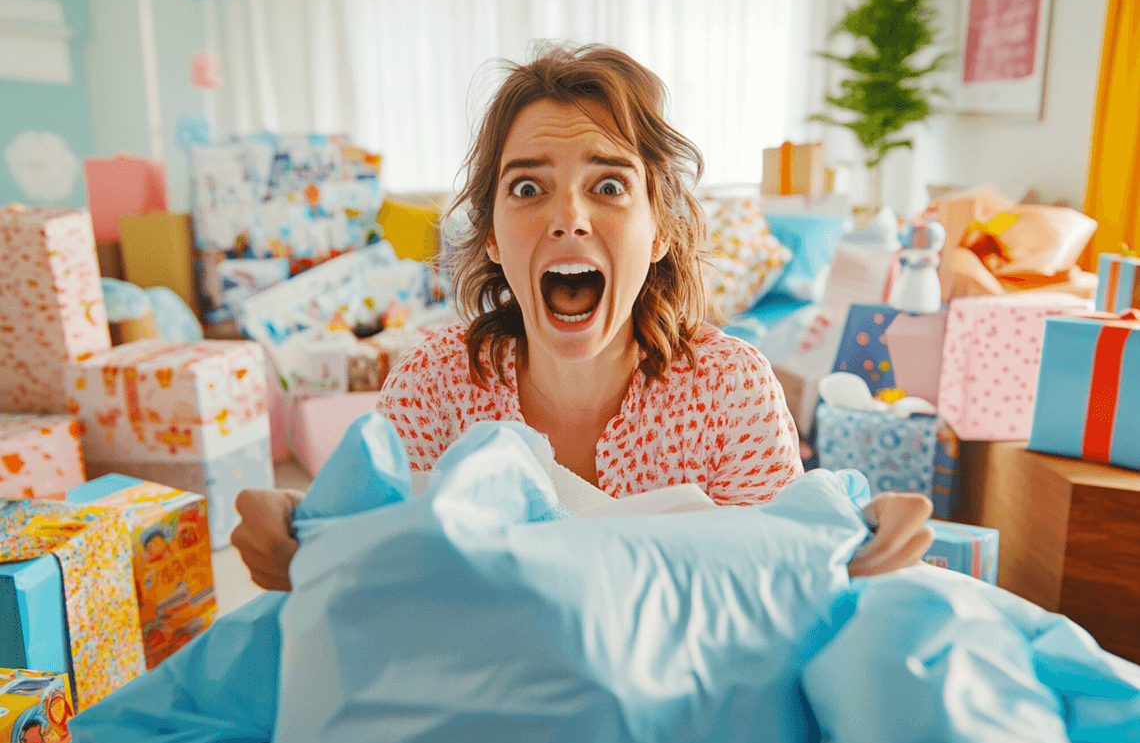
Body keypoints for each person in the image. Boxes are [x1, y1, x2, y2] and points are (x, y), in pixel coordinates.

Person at [232, 43, 934, 591]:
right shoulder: (435, 380)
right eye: (529, 186)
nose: (568, 217)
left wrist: (862, 546)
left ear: (658, 230)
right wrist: (296, 529)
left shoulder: (730, 387)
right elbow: (369, 561)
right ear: (494, 239)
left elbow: (794, 572)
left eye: (608, 185)